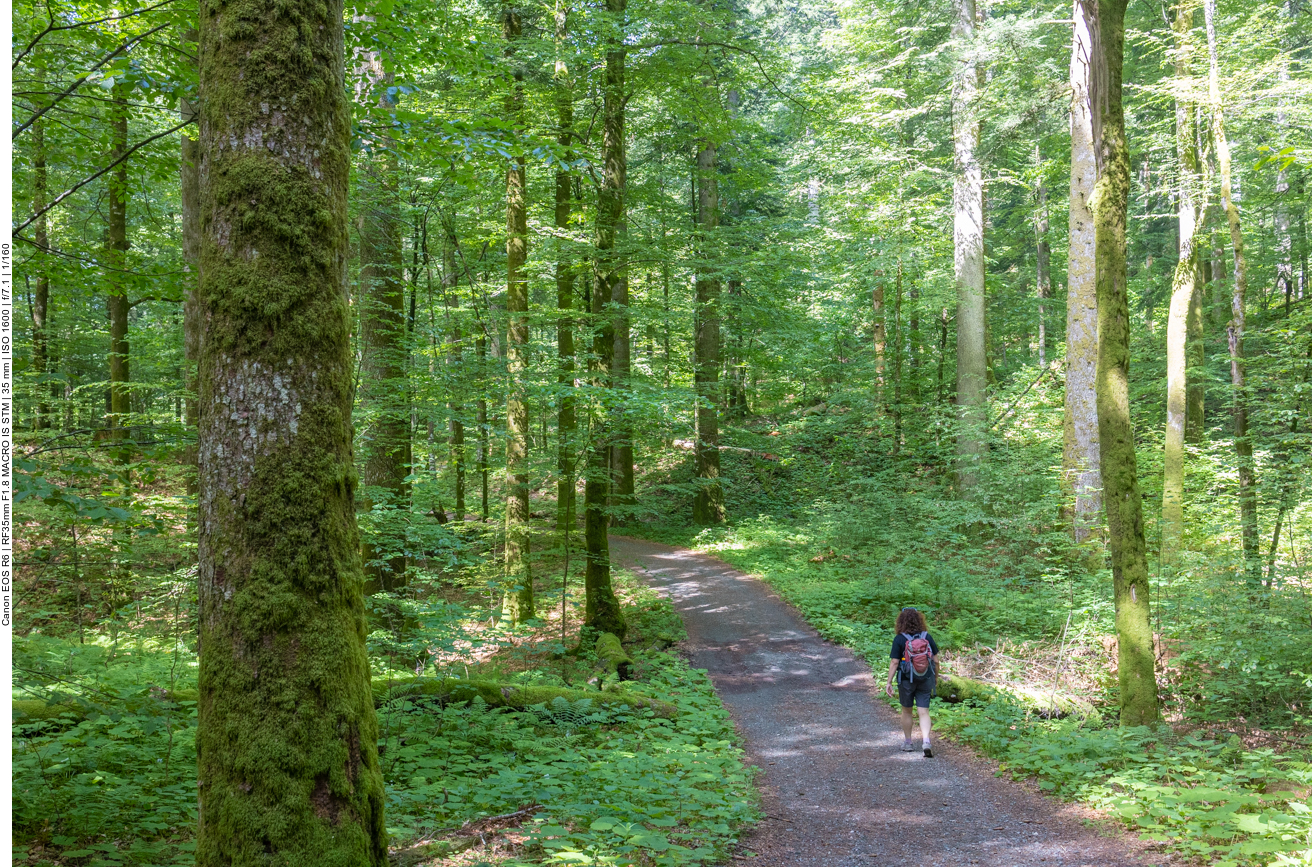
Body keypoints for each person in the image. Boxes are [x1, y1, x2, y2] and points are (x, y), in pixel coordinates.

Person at [885, 606, 938, 757]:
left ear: (901, 621)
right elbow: (936, 660)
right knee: (924, 711)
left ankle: (908, 743)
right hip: (926, 678)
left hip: (906, 679)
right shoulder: (927, 637)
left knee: (906, 711)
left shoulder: (900, 639)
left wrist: (889, 682)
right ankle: (926, 741)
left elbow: (895, 662)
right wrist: (935, 678)